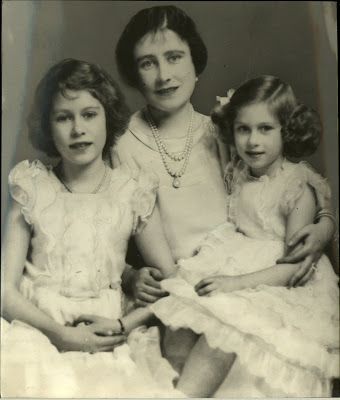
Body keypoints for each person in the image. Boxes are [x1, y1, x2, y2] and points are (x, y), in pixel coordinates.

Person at [112, 4, 336, 381]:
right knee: (180, 364)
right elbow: (96, 230)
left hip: (247, 281)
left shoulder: (228, 133)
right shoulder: (120, 146)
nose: (164, 75)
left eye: (174, 57)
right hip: (178, 287)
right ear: (134, 74)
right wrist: (129, 274)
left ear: (195, 63)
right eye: (148, 63)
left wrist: (326, 225)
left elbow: (289, 185)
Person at [0, 58, 184, 398]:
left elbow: (172, 283)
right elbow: (5, 292)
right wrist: (60, 334)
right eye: (63, 117)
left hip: (110, 329)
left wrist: (122, 326)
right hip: (39, 326)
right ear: (47, 125)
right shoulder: (32, 186)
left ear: (107, 117)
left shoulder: (133, 191)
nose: (77, 129)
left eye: (89, 114)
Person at [150, 75, 340, 397]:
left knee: (224, 334)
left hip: (281, 283)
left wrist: (234, 283)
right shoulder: (239, 172)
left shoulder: (297, 186)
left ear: (287, 131)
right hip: (238, 264)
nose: (253, 141)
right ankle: (174, 389)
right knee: (179, 326)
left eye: (265, 129)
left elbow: (295, 265)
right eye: (243, 129)